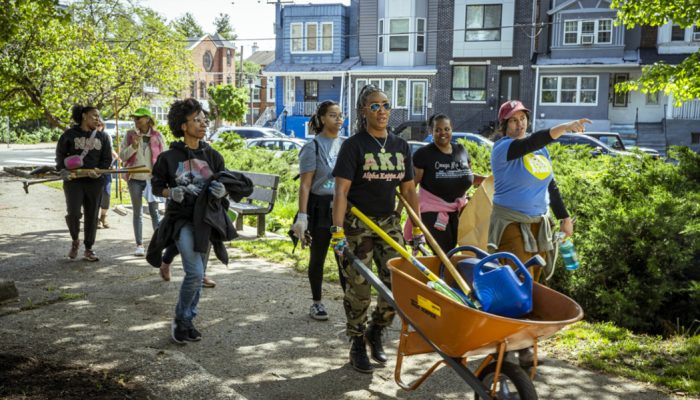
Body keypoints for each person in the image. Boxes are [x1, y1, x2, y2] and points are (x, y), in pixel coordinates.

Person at [488, 99, 590, 367]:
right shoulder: (503, 148)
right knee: (513, 281)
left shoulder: (540, 152)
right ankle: (505, 345)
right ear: (504, 125)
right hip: (511, 224)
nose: (519, 123)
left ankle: (524, 344)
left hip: (538, 224)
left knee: (533, 283)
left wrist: (564, 218)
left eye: (523, 118)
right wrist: (564, 128)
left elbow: (551, 187)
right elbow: (529, 143)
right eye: (513, 120)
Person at [330, 84, 423, 373]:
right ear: (363, 111)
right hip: (358, 223)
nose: (381, 111)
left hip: (388, 222)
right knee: (359, 288)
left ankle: (376, 328)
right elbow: (341, 192)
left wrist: (417, 229)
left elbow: (409, 192)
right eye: (374, 106)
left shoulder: (400, 145)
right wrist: (338, 231)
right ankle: (357, 340)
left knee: (397, 282)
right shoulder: (354, 145)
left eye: (385, 106)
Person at [150, 98, 239, 344]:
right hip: (181, 221)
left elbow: (225, 182)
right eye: (196, 120)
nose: (203, 124)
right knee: (195, 272)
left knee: (197, 276)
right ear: (182, 125)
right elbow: (156, 185)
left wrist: (223, 192)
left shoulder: (213, 156)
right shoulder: (168, 158)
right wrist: (170, 193)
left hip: (206, 222)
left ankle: (188, 319)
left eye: (204, 120)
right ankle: (180, 319)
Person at [291, 100, 347, 321]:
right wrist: (302, 216)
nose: (338, 119)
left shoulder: (346, 145)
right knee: (319, 257)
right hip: (320, 208)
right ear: (323, 118)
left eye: (340, 115)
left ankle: (350, 301)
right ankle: (317, 303)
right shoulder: (312, 146)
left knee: (345, 258)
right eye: (333, 115)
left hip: (341, 209)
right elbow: (305, 185)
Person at [408, 113, 486, 253]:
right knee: (444, 252)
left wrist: (488, 180)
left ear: (451, 129)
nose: (442, 133)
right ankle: (442, 275)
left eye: (446, 129)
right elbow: (410, 187)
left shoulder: (461, 150)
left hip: (460, 211)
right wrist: (402, 211)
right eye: (437, 130)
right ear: (431, 132)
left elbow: (466, 176)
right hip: (433, 212)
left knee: (466, 250)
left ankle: (452, 274)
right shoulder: (424, 154)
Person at [56, 105, 113, 261]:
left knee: (92, 215)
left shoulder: (103, 137)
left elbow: (107, 159)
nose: (97, 119)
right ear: (83, 116)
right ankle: (75, 240)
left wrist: (99, 170)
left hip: (95, 182)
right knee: (73, 213)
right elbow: (60, 156)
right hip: (73, 181)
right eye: (94, 115)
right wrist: (63, 170)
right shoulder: (69, 135)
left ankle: (89, 248)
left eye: (98, 116)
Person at [119, 108, 166, 256]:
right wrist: (133, 146)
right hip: (135, 179)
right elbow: (123, 156)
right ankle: (139, 245)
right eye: (134, 118)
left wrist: (162, 176)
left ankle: (159, 243)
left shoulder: (158, 136)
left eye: (139, 118)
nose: (136, 121)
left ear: (147, 119)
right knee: (137, 212)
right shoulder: (129, 135)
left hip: (152, 180)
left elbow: (164, 158)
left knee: (155, 212)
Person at [96, 119, 120, 229]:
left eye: (99, 125)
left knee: (106, 193)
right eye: (96, 125)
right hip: (94, 169)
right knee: (95, 194)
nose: (98, 127)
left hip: (106, 169)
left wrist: (117, 157)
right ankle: (95, 218)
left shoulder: (106, 136)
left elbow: (110, 150)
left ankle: (103, 216)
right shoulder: (89, 137)